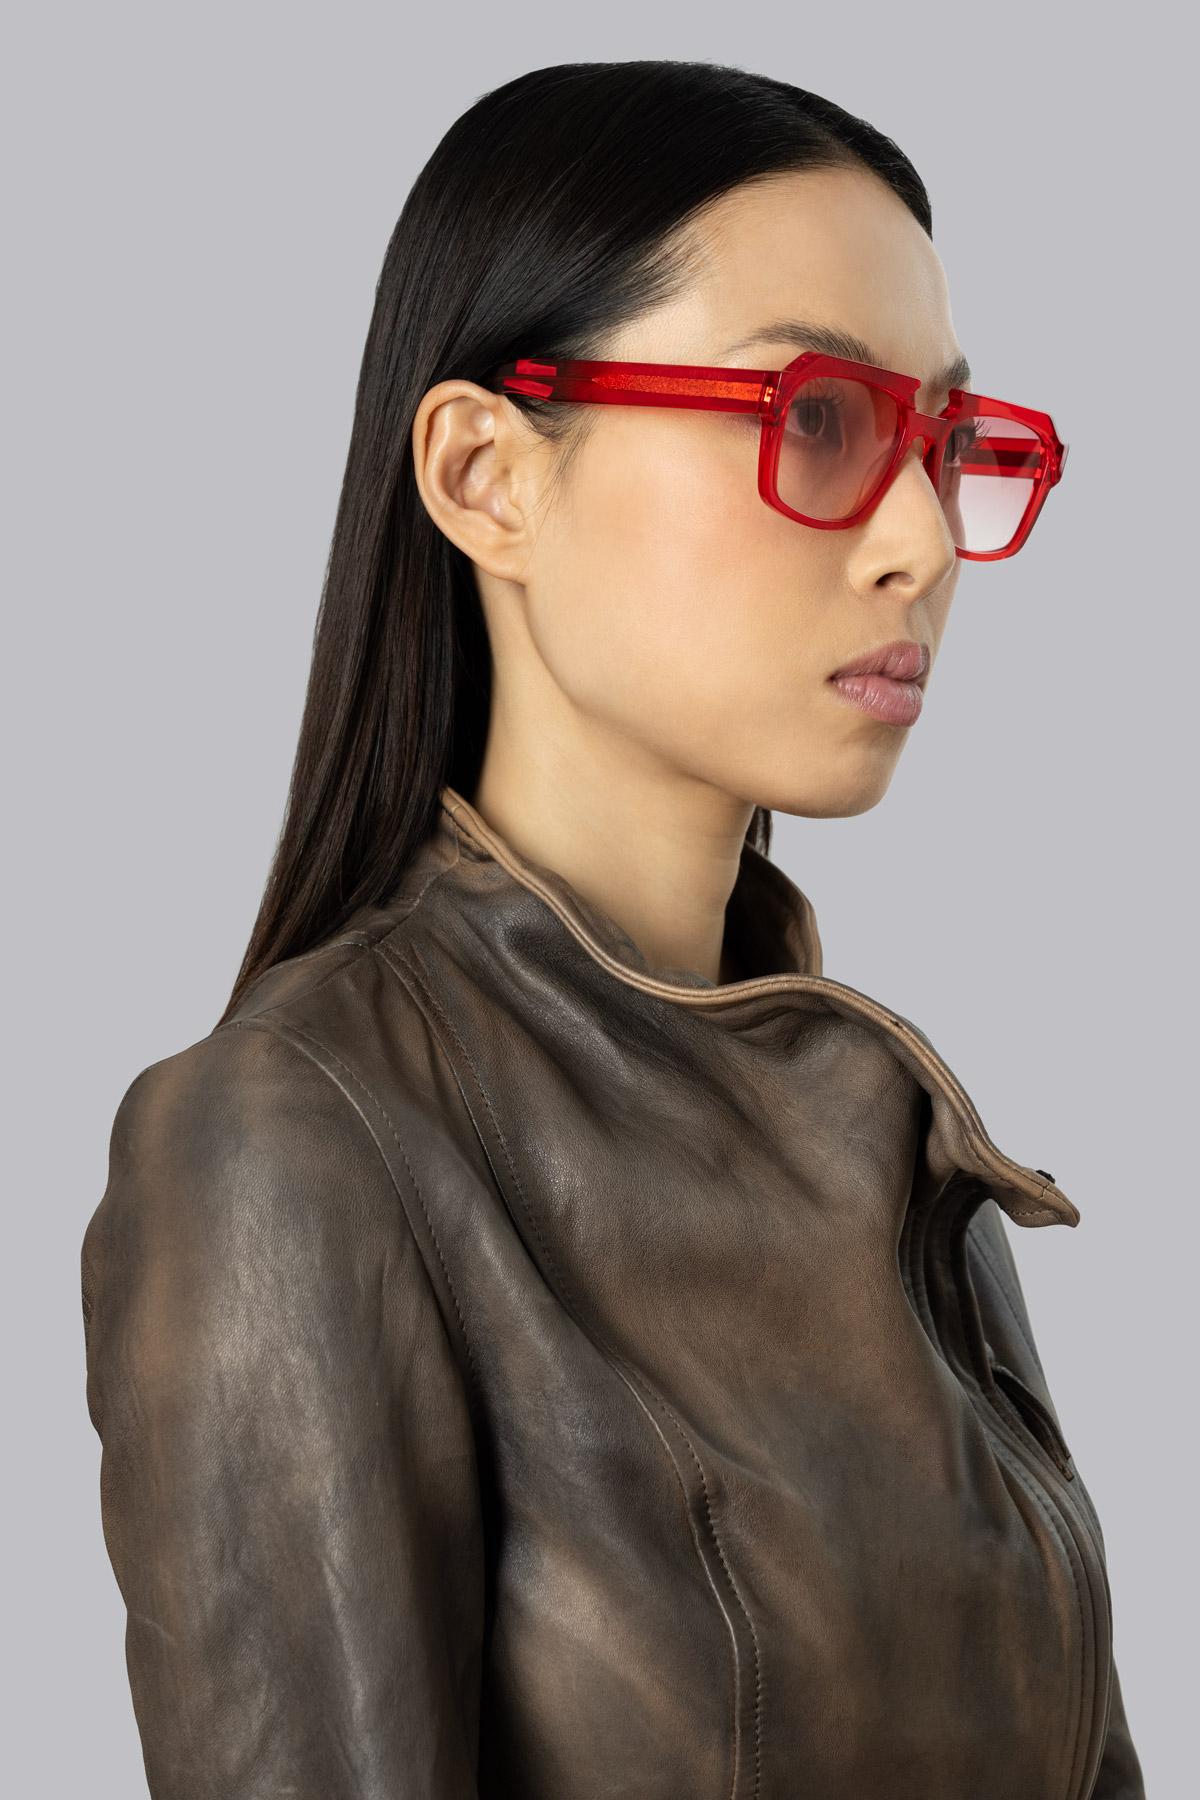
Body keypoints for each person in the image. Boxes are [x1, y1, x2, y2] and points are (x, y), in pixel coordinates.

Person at [79, 58, 1145, 1799]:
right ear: (486, 474)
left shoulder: (898, 1146)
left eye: (947, 443)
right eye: (818, 417)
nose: (920, 539)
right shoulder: (298, 1140)